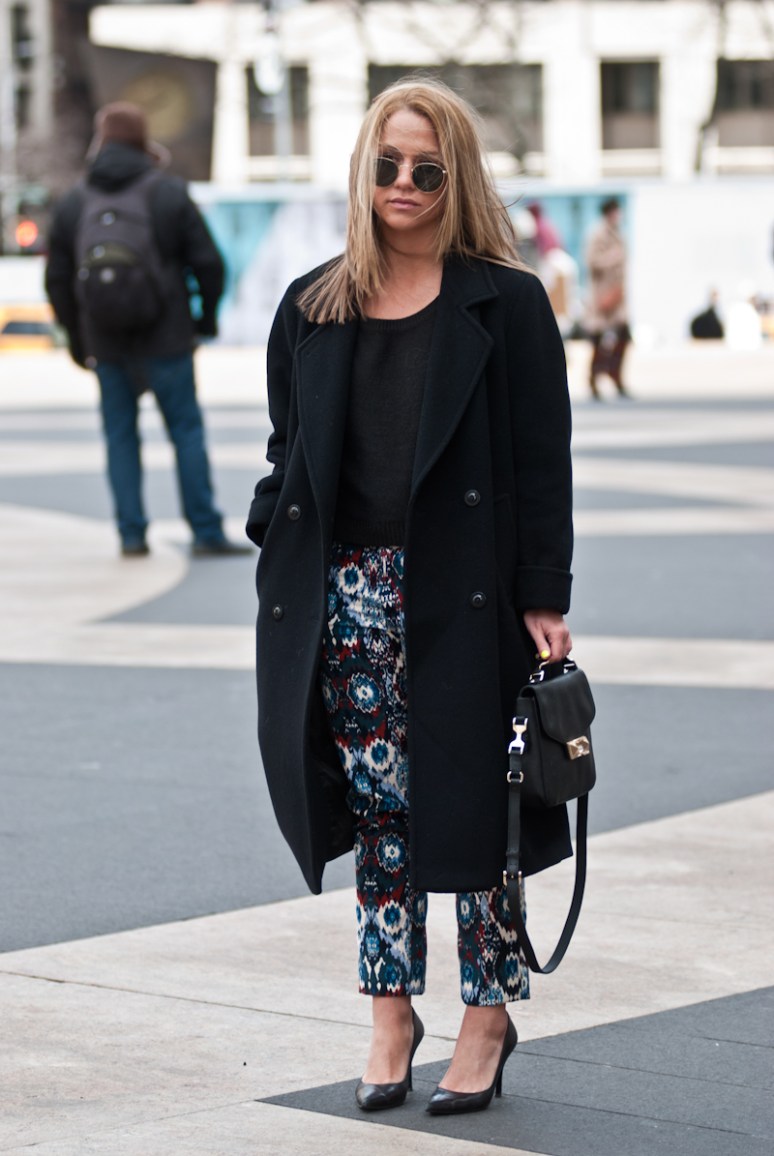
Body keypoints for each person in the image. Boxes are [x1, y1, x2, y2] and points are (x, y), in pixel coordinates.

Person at [246, 78, 574, 1116]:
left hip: (466, 595)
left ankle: (486, 1015)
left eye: (426, 168)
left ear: (455, 176)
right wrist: (274, 528)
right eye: (387, 164)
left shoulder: (506, 303)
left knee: (480, 809)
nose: (403, 182)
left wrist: (544, 593)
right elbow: (287, 451)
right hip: (348, 594)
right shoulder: (314, 305)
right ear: (363, 170)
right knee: (378, 810)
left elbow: (543, 463)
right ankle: (391, 1012)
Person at [46, 102, 250, 558]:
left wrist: (78, 341)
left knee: (120, 437)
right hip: (168, 336)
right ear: (143, 140)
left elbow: (57, 280)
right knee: (185, 432)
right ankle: (205, 530)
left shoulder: (76, 201)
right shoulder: (168, 193)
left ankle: (131, 534)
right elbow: (209, 264)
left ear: (100, 140)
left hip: (105, 341)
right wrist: (203, 320)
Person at [584, 197, 632, 400]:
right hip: (602, 296)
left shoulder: (618, 232)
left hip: (617, 295)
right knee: (598, 340)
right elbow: (592, 261)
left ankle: (615, 375)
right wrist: (613, 257)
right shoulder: (598, 234)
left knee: (624, 336)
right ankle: (594, 379)